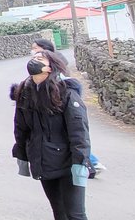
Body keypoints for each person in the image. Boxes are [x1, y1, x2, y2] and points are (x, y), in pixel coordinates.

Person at [12, 49, 119, 220]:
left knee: (77, 215)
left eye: (40, 58)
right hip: (44, 163)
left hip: (69, 164)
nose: (33, 61)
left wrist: (80, 166)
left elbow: (79, 135)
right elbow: (21, 129)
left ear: (51, 67)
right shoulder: (25, 94)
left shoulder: (67, 94)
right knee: (59, 211)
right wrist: (24, 159)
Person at [30, 37, 104, 176]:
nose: (33, 51)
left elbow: (78, 130)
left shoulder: (63, 87)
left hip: (58, 112)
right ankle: (89, 163)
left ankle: (90, 163)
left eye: (35, 48)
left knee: (68, 136)